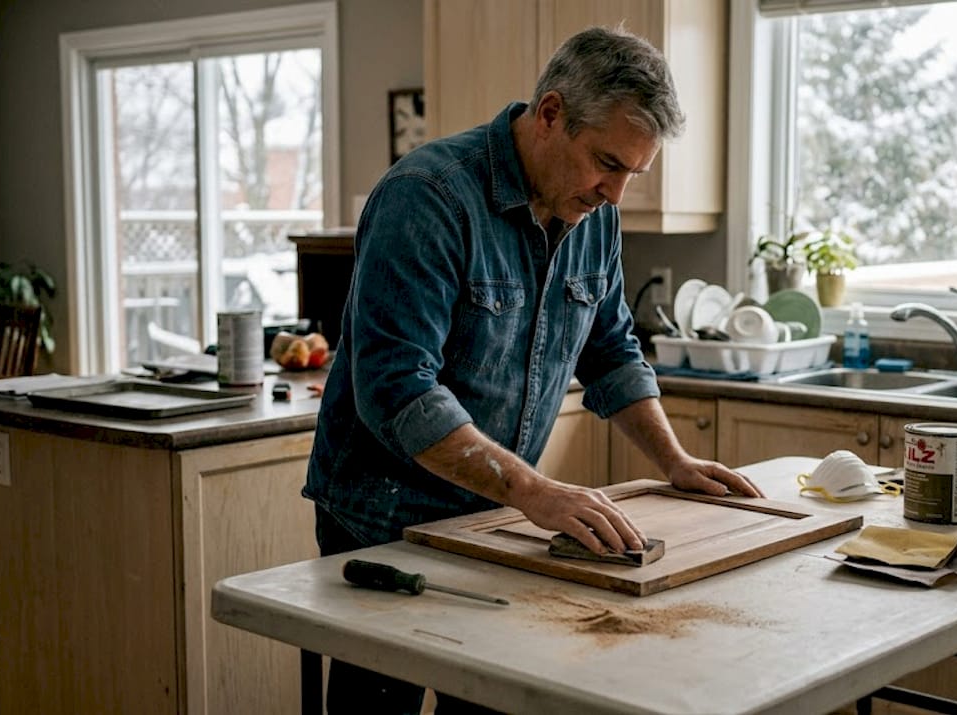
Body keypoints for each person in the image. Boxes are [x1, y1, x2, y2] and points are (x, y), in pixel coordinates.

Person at [303, 25, 762, 714]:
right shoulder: (427, 198)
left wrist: (674, 459)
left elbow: (609, 349)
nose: (615, 192)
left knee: (491, 698)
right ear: (550, 115)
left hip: (496, 513)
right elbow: (397, 391)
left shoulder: (595, 216)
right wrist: (537, 491)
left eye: (633, 174)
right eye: (606, 162)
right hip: (383, 517)